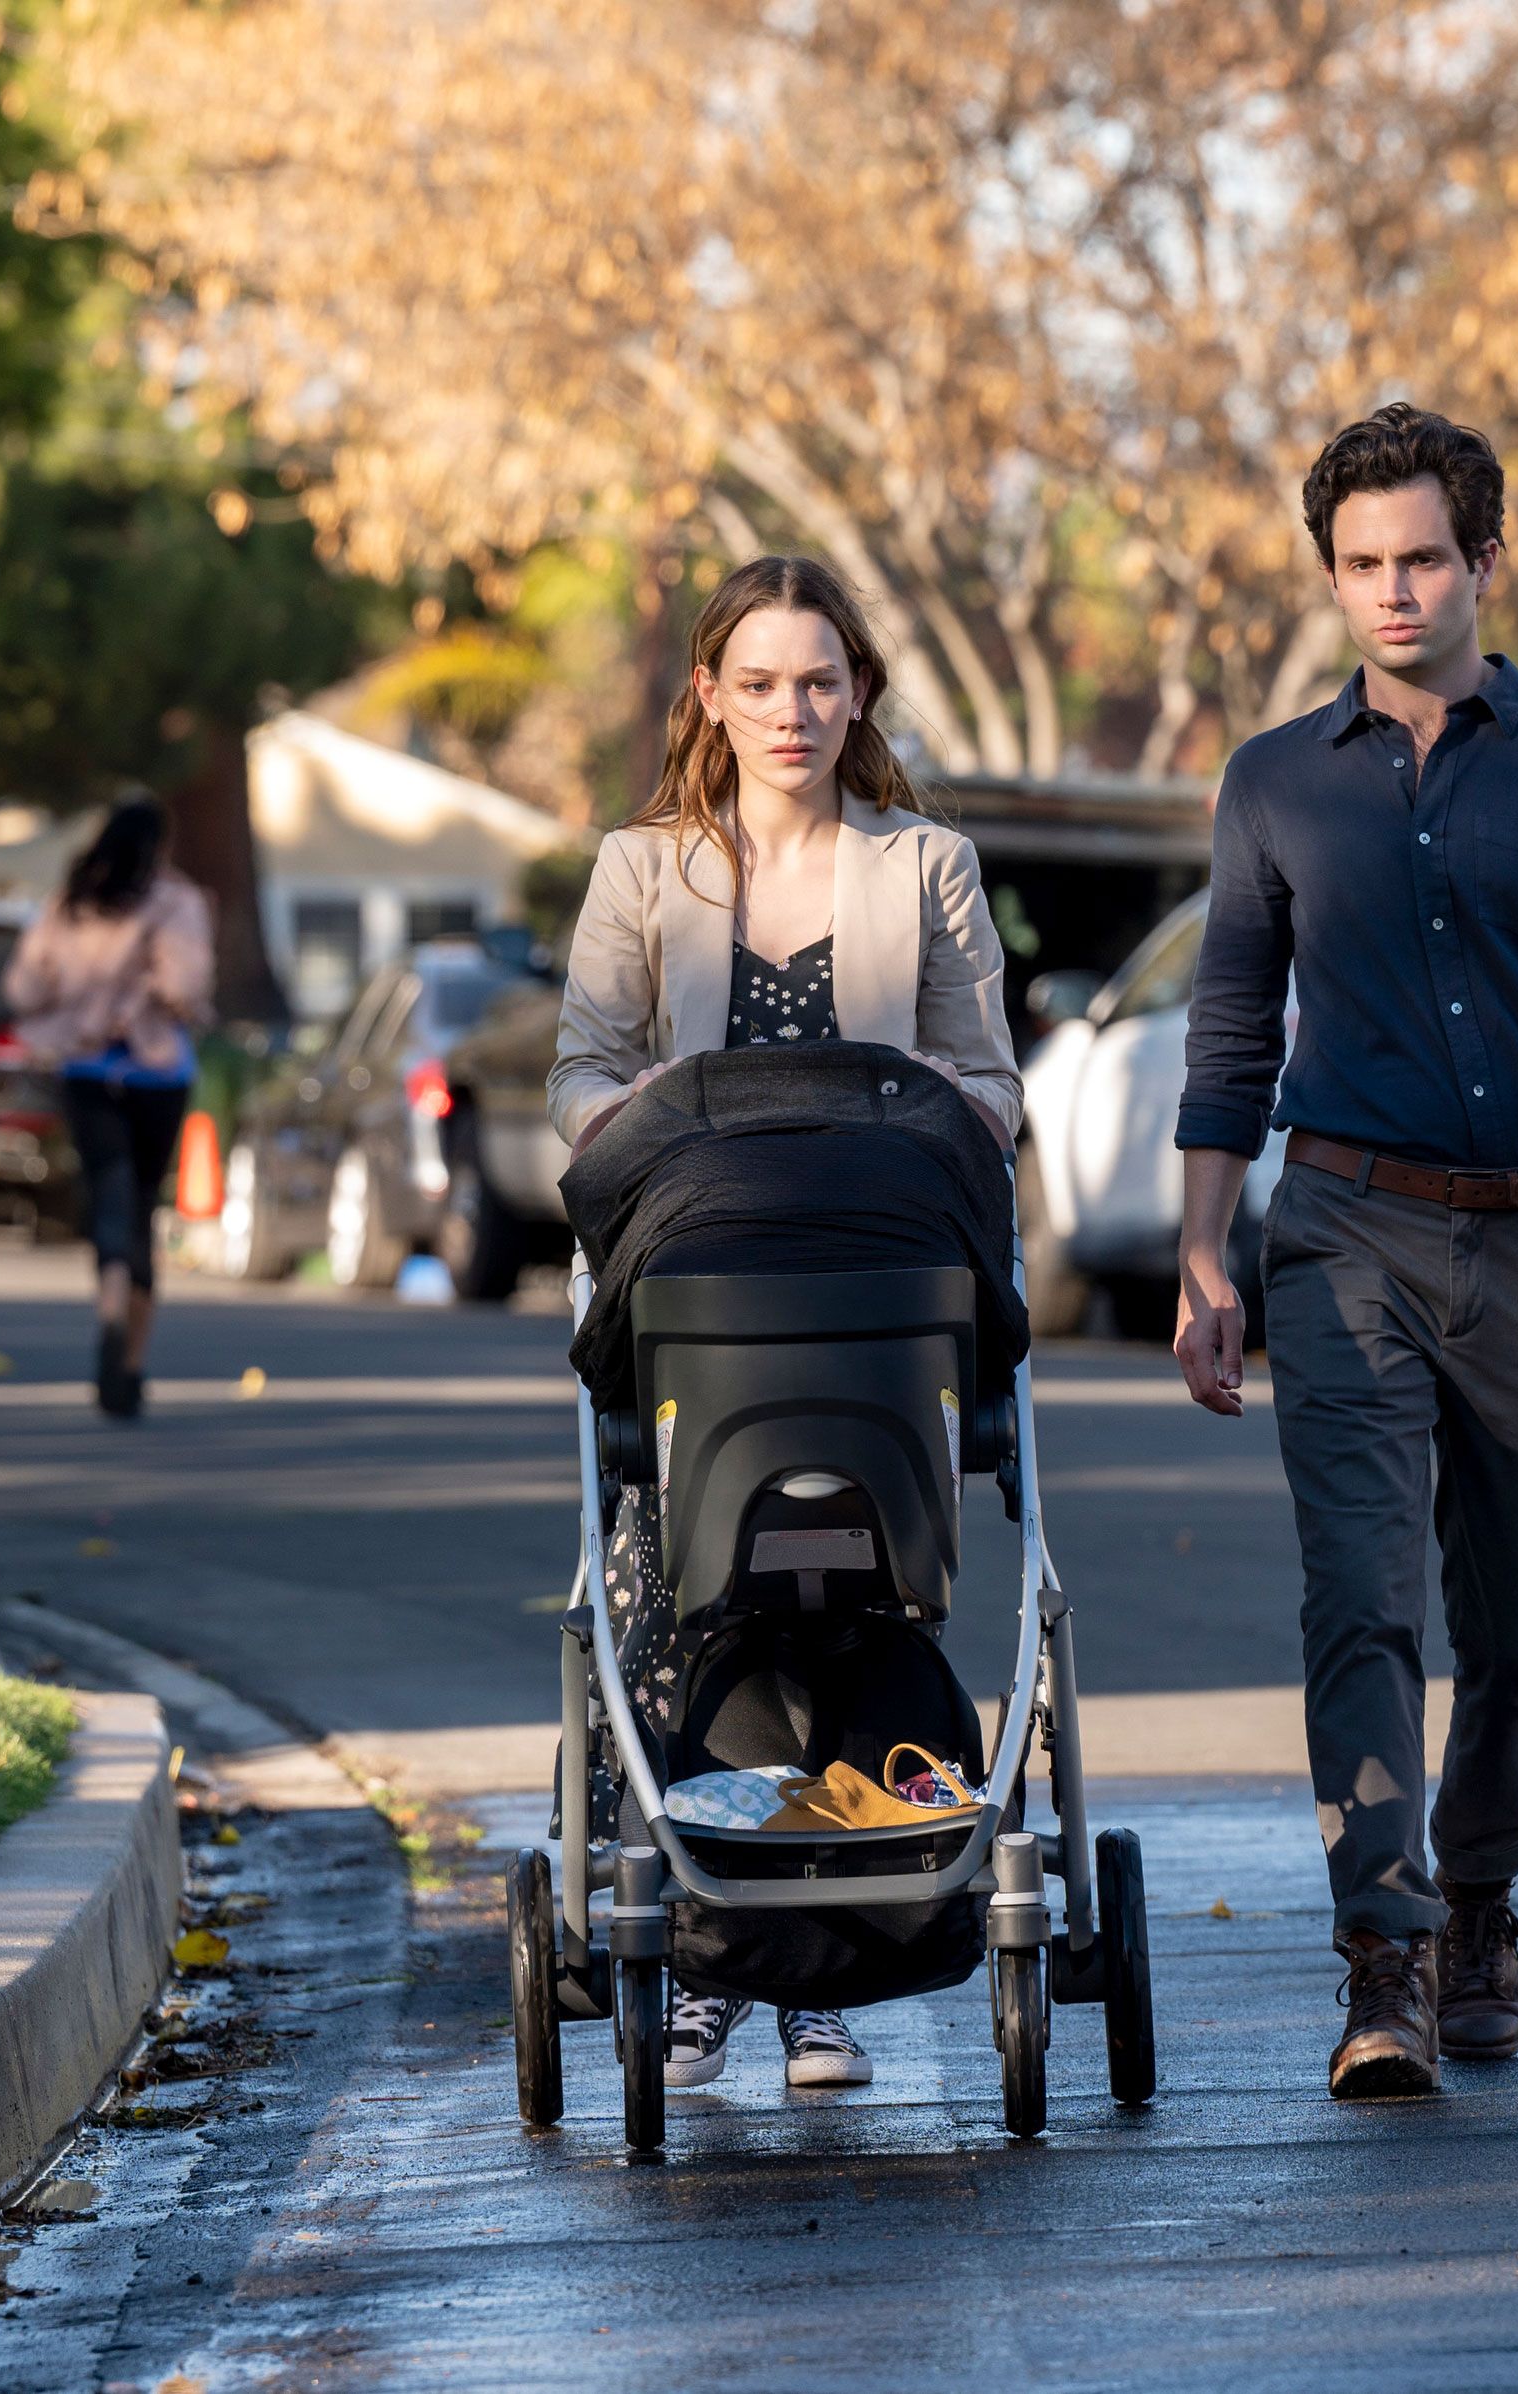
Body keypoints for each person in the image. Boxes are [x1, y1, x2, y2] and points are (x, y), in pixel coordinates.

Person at [1170, 404, 1518, 2100]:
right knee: (1363, 1595)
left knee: (1516, 1610)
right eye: (1360, 565)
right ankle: (1382, 1950)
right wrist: (1206, 1255)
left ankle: (1480, 1903)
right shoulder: (1269, 783)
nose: (1392, 592)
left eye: (1420, 560)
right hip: (1341, 1227)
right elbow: (1231, 1032)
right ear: (1332, 573)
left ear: (1485, 560)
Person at [549, 553, 1023, 2094]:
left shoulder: (926, 865)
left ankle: (818, 1979)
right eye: (757, 682)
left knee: (853, 1609)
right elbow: (575, 1080)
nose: (790, 711)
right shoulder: (643, 870)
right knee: (677, 1613)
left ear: (860, 690)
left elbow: (997, 1086)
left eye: (819, 680)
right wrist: (646, 1117)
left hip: (877, 1304)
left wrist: (929, 1110)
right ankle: (695, 1961)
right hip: (699, 1296)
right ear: (708, 694)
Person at [6, 793, 215, 1420]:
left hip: (85, 1066)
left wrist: (74, 990)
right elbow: (186, 987)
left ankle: (109, 1305)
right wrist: (153, 988)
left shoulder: (71, 903)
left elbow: (22, 985)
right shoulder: (177, 903)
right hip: (156, 1071)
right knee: (141, 1205)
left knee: (109, 1195)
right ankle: (131, 1358)